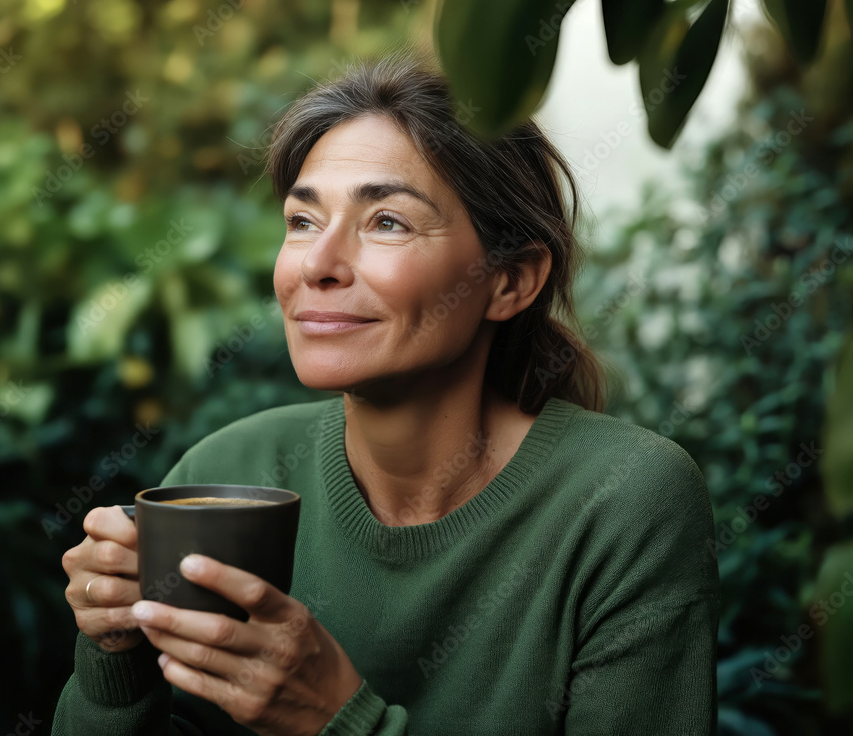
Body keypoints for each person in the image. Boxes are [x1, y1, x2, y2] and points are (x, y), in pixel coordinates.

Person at [51, 53, 719, 736]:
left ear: (511, 280)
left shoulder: (624, 500)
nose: (316, 264)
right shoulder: (225, 475)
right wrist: (115, 657)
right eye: (303, 221)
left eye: (387, 222)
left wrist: (338, 718)